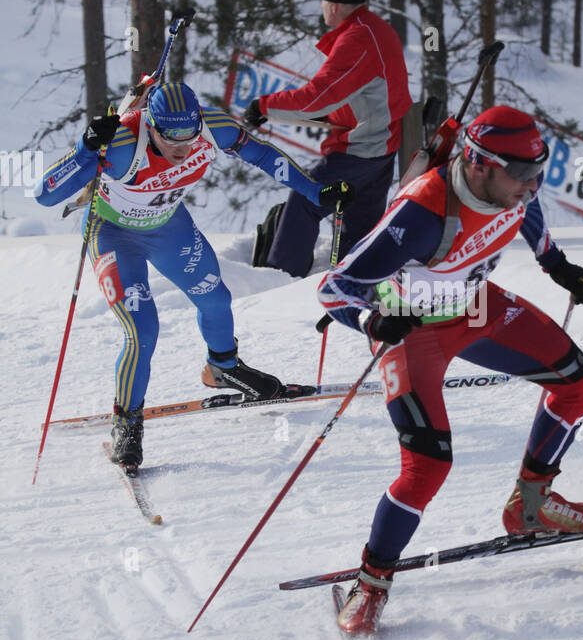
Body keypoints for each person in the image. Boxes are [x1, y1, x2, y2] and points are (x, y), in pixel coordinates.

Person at [317, 105, 583, 635]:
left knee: (581, 382)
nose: (530, 184)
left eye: (538, 172)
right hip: (412, 329)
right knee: (427, 468)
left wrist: (555, 263)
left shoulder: (512, 184)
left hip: (477, 307)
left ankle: (532, 503)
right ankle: (371, 580)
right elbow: (334, 288)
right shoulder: (421, 215)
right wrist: (370, 320)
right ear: (478, 164)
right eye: (520, 174)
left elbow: (528, 209)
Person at [36, 81, 353, 469]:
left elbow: (262, 155)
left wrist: (314, 192)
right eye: (172, 138)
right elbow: (45, 194)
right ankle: (127, 423)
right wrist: (85, 149)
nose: (183, 147)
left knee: (216, 298)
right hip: (115, 235)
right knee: (142, 331)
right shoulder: (121, 143)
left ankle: (223, 368)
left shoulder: (209, 125)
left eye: (189, 134)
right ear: (151, 127)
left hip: (169, 228)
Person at [242, 0, 411, 277]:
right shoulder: (375, 28)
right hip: (381, 143)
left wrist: (263, 106)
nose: (321, 10)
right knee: (360, 224)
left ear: (333, 5)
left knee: (307, 197)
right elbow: (357, 92)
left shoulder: (358, 38)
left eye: (322, 4)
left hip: (362, 147)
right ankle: (353, 279)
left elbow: (318, 96)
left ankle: (281, 275)